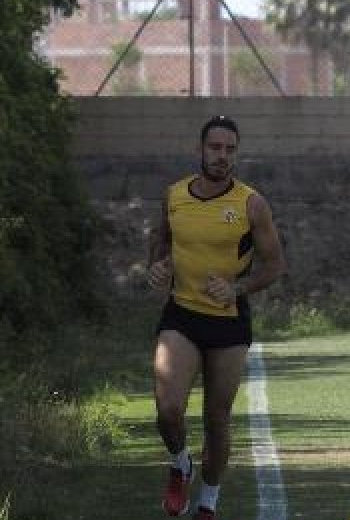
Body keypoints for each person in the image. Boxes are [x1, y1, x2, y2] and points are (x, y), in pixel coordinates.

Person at [147, 115, 285, 520]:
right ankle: (180, 464)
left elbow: (275, 265)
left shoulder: (251, 204)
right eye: (215, 148)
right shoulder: (174, 196)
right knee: (168, 408)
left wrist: (237, 288)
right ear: (200, 150)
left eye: (230, 150)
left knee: (217, 418)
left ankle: (207, 501)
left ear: (236, 154)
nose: (222, 156)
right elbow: (160, 238)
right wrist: (156, 267)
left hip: (228, 324)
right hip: (181, 316)